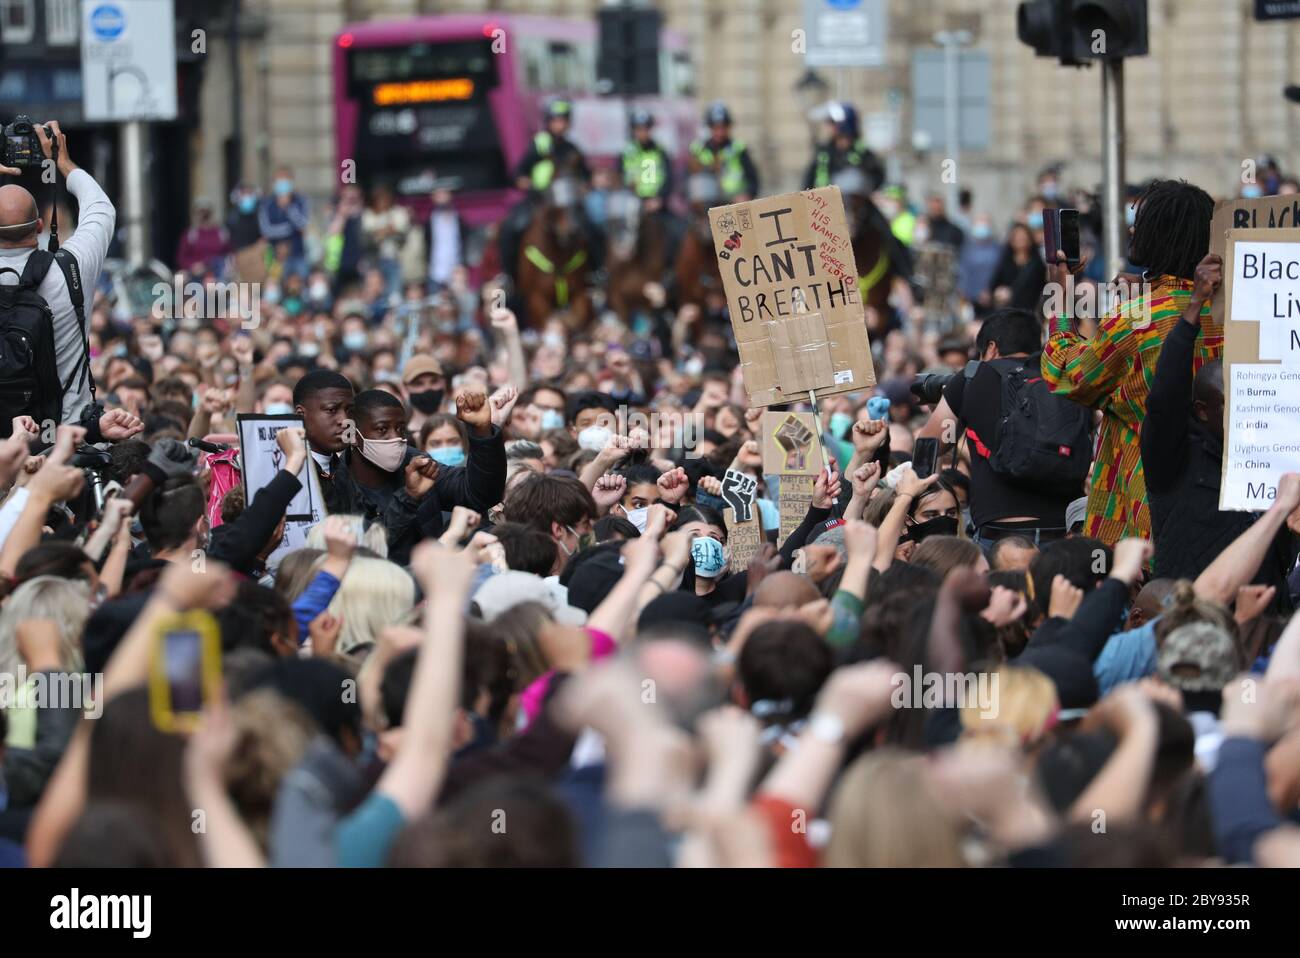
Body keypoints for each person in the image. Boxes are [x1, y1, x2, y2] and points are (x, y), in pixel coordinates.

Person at [1043, 178, 1218, 544]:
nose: (1133, 228)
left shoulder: (1137, 320)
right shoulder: (1234, 311)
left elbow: (1066, 373)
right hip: (1222, 503)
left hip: (1147, 511)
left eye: (1144, 220)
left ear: (1161, 234)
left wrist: (1060, 294)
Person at [1142, 253, 1298, 603]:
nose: (1246, 411)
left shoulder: (1274, 460)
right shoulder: (1174, 460)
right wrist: (1196, 303)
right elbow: (1165, 397)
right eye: (1232, 403)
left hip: (1263, 622)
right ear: (1201, 412)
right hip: (1195, 621)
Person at [0, 121, 136, 439]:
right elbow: (100, 208)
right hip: (69, 441)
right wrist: (62, 162)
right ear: (39, 227)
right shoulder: (71, 267)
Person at [917, 308, 1081, 550]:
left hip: (1000, 533)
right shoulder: (1063, 378)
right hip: (1062, 530)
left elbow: (928, 447)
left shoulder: (972, 378)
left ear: (991, 347)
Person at [320, 387, 507, 564]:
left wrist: (482, 432)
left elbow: (479, 494)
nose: (395, 437)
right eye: (382, 430)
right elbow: (369, 549)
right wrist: (409, 497)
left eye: (400, 429)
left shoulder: (413, 462)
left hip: (433, 582)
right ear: (352, 433)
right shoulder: (336, 484)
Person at [804, 102, 884, 196]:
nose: (828, 126)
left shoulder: (863, 152)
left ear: (844, 124)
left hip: (857, 207)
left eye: (832, 122)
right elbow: (808, 180)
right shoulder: (824, 152)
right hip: (824, 205)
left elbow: (877, 179)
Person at [689, 102, 759, 203]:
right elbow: (688, 181)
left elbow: (753, 180)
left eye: (723, 127)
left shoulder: (738, 148)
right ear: (709, 127)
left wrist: (746, 195)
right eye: (716, 128)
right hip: (706, 206)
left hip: (734, 203)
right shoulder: (697, 149)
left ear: (728, 127)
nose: (720, 132)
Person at [259, 165, 310, 278]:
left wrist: (289, 208)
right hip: (275, 256)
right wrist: (289, 229)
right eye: (279, 181)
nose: (282, 185)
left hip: (298, 253)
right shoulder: (267, 204)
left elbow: (302, 224)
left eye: (285, 181)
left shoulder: (300, 201)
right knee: (275, 285)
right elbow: (266, 230)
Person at [986, 223, 1046, 312]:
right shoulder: (1005, 262)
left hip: (1031, 311)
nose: (1020, 239)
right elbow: (994, 284)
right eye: (1017, 237)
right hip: (1008, 311)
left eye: (1023, 237)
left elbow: (1043, 286)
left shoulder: (1037, 264)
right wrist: (999, 292)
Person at [622, 107, 673, 207]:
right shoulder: (626, 153)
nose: (642, 133)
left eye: (646, 129)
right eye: (638, 129)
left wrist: (659, 198)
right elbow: (620, 177)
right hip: (632, 202)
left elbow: (668, 179)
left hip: (657, 203)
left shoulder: (660, 151)